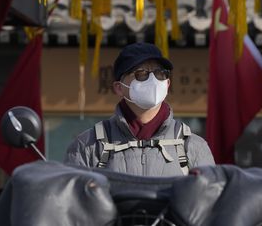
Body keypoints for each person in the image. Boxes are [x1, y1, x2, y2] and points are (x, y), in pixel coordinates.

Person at [64, 42, 215, 176]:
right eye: (141, 74)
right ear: (119, 87)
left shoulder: (193, 146)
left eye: (159, 73)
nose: (153, 80)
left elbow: (208, 202)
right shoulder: (88, 146)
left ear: (167, 83)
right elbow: (73, 203)